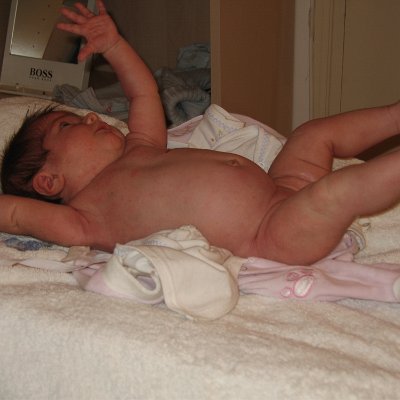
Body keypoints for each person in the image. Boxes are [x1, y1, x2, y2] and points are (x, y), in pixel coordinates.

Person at [1, 0, 400, 267]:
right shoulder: (84, 220)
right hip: (273, 234)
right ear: (48, 180)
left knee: (312, 134)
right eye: (67, 125)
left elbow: (142, 93)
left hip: (283, 186)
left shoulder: (141, 147)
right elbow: (16, 215)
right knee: (336, 192)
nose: (90, 117)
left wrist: (114, 45)